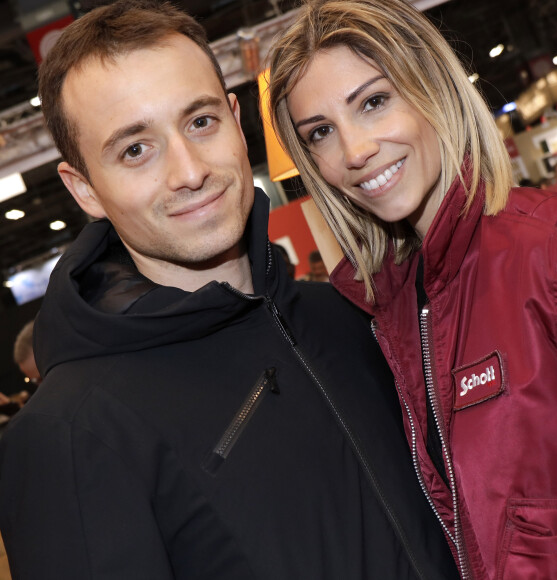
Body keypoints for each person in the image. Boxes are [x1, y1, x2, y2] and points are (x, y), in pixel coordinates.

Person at [0, 1, 459, 579]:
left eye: (200, 122)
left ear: (237, 121)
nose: (189, 170)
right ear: (85, 188)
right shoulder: (69, 435)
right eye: (135, 149)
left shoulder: (346, 316)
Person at [268, 0, 557, 578]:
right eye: (321, 133)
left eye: (374, 102)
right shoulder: (385, 312)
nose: (355, 151)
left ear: (429, 86)